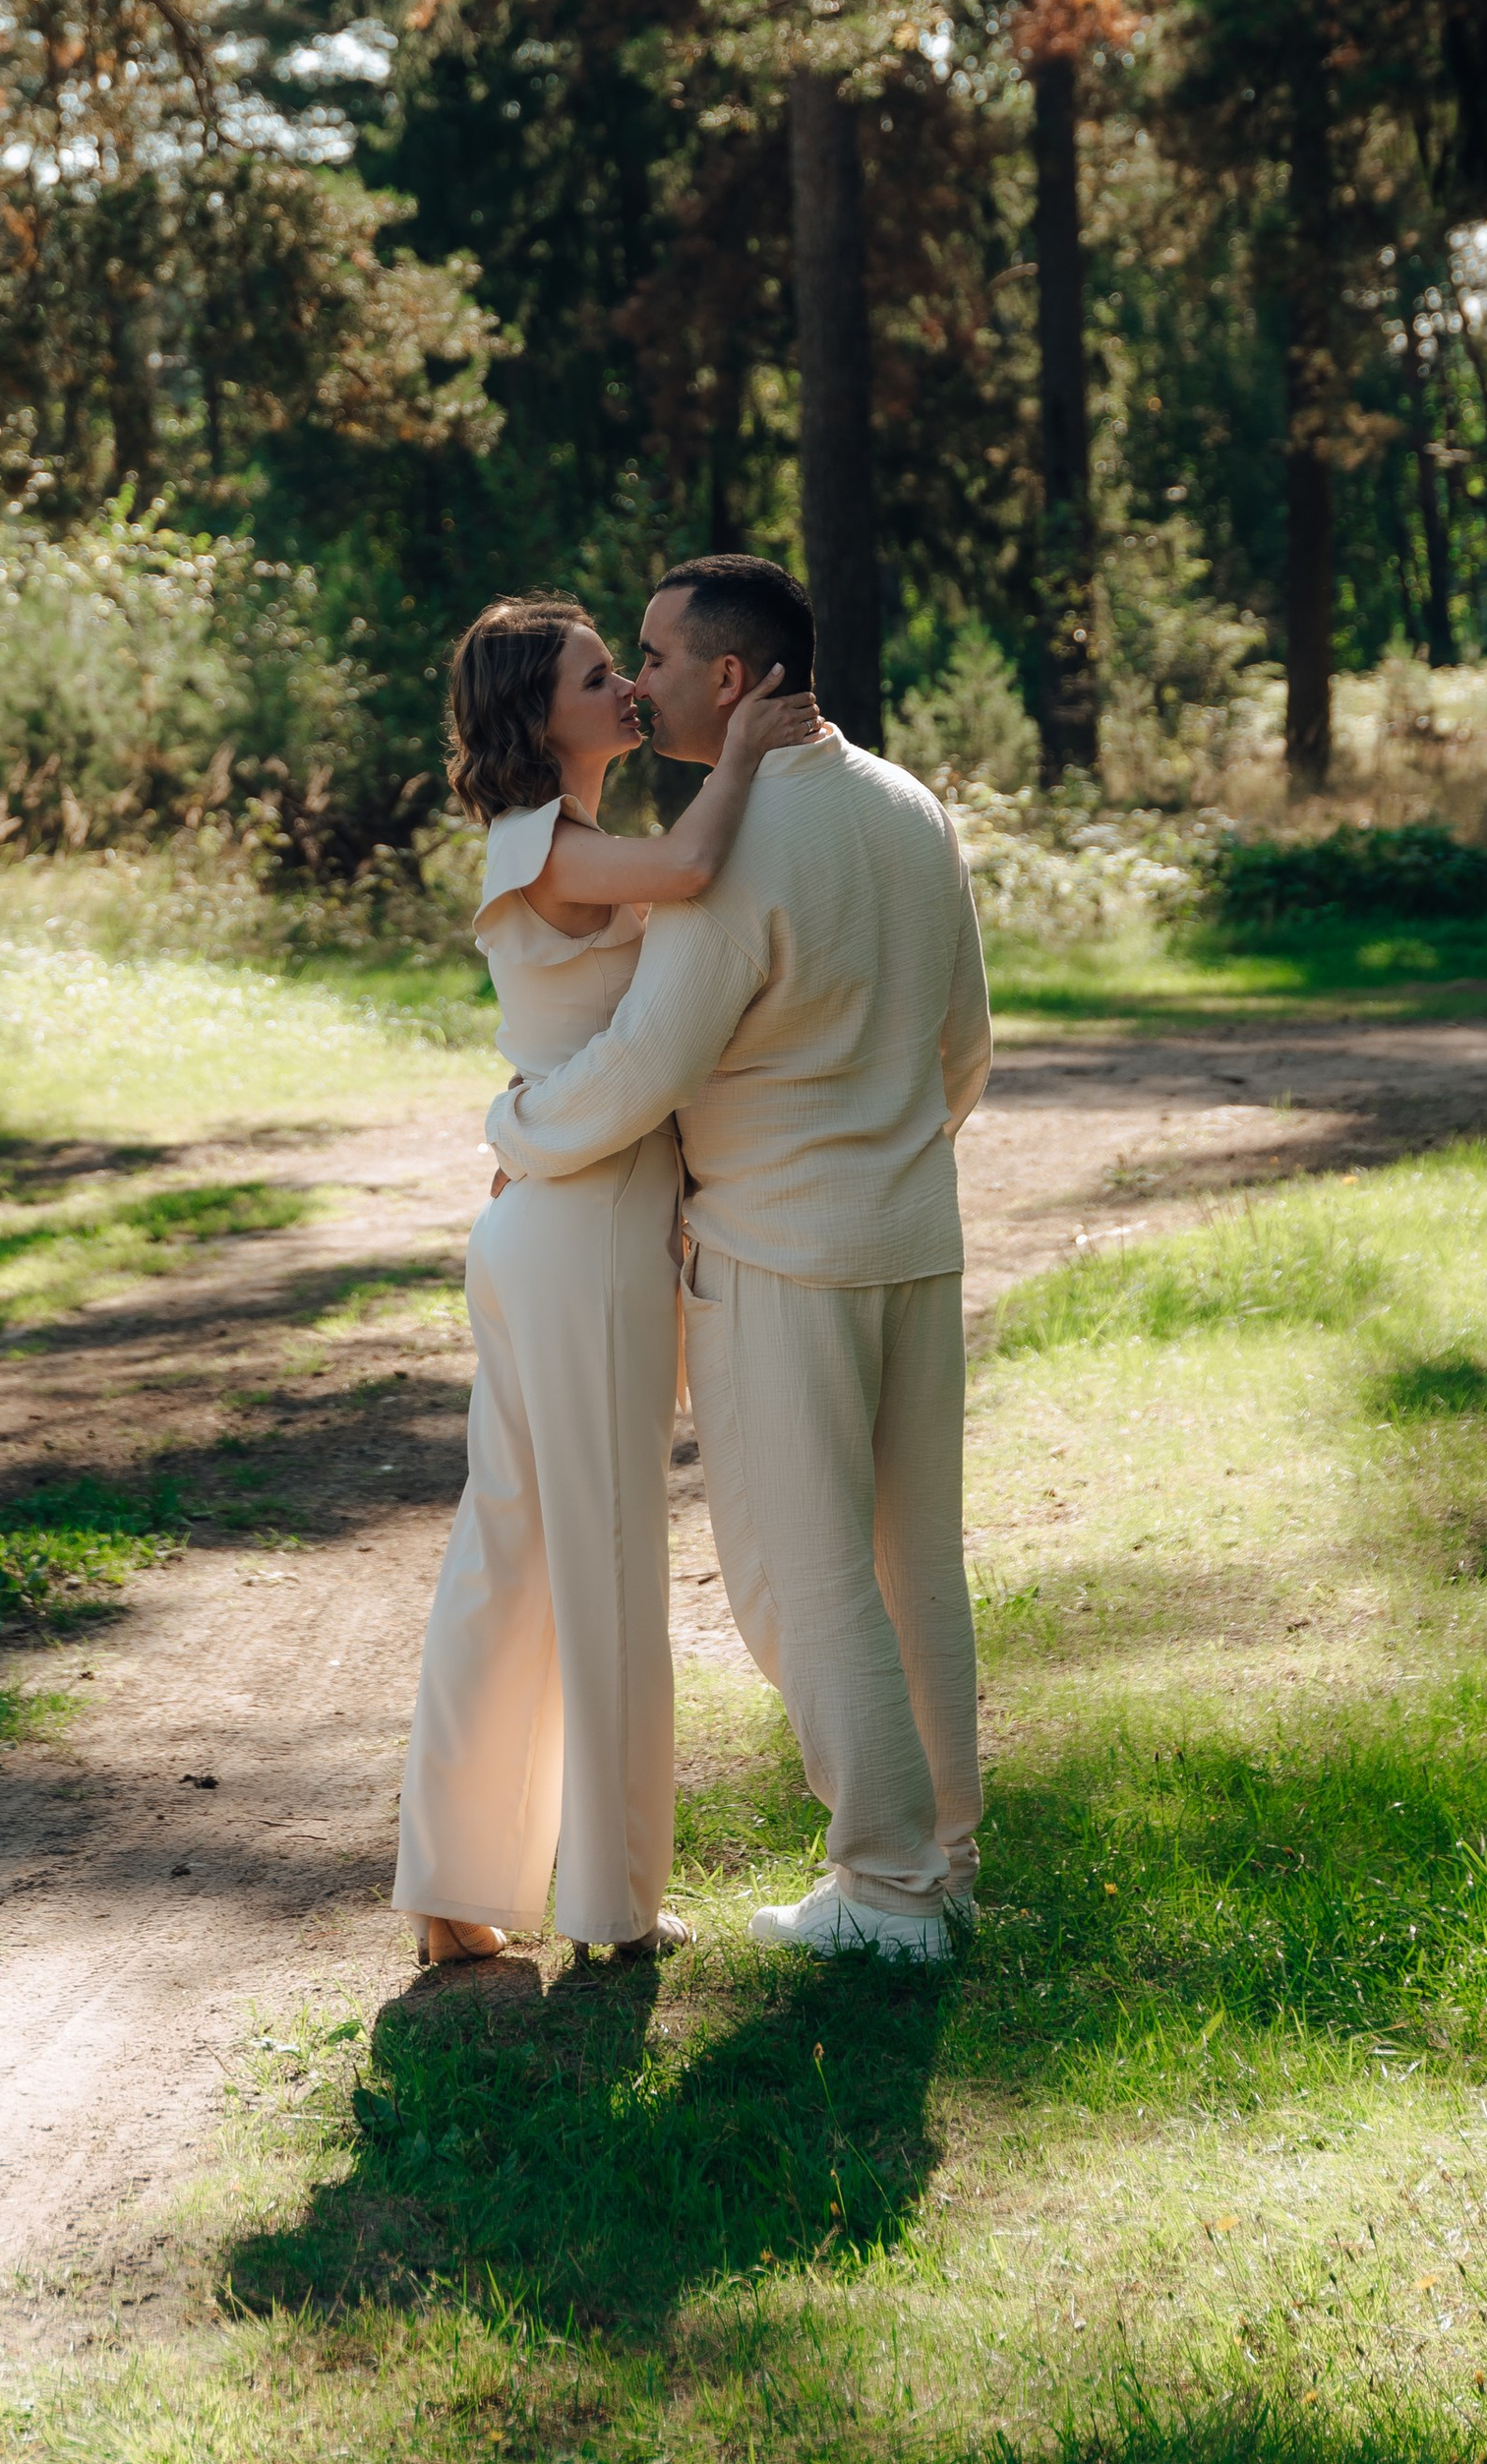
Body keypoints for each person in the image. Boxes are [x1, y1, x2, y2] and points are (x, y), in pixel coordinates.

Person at [483, 553, 991, 1965]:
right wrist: (892, 1161)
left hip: (783, 1252)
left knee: (797, 1574)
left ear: (727, 676)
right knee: (915, 1563)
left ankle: (888, 1894)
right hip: (915, 1241)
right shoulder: (909, 804)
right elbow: (969, 1049)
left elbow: (648, 1062)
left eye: (649, 656)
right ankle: (943, 1861)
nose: (634, 683)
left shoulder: (740, 841)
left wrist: (516, 1125)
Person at [391, 593, 821, 1969]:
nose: (630, 691)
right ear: (539, 715)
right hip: (580, 1238)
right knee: (609, 1558)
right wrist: (744, 749)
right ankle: (614, 1904)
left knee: (510, 1555)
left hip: (549, 1226)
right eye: (599, 676)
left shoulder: (556, 843)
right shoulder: (553, 847)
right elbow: (697, 870)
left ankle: (454, 1892)